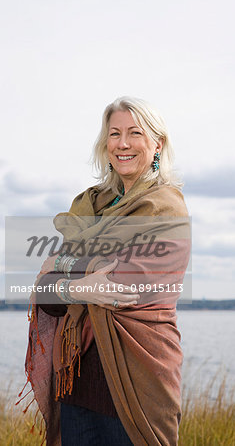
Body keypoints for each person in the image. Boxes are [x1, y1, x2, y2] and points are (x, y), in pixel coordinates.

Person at [20, 96, 191, 446]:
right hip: (75, 383)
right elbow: (45, 296)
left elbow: (119, 286)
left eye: (134, 133)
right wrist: (78, 284)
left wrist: (60, 266)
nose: (123, 143)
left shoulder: (164, 208)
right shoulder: (89, 206)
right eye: (114, 134)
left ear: (157, 143)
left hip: (137, 382)